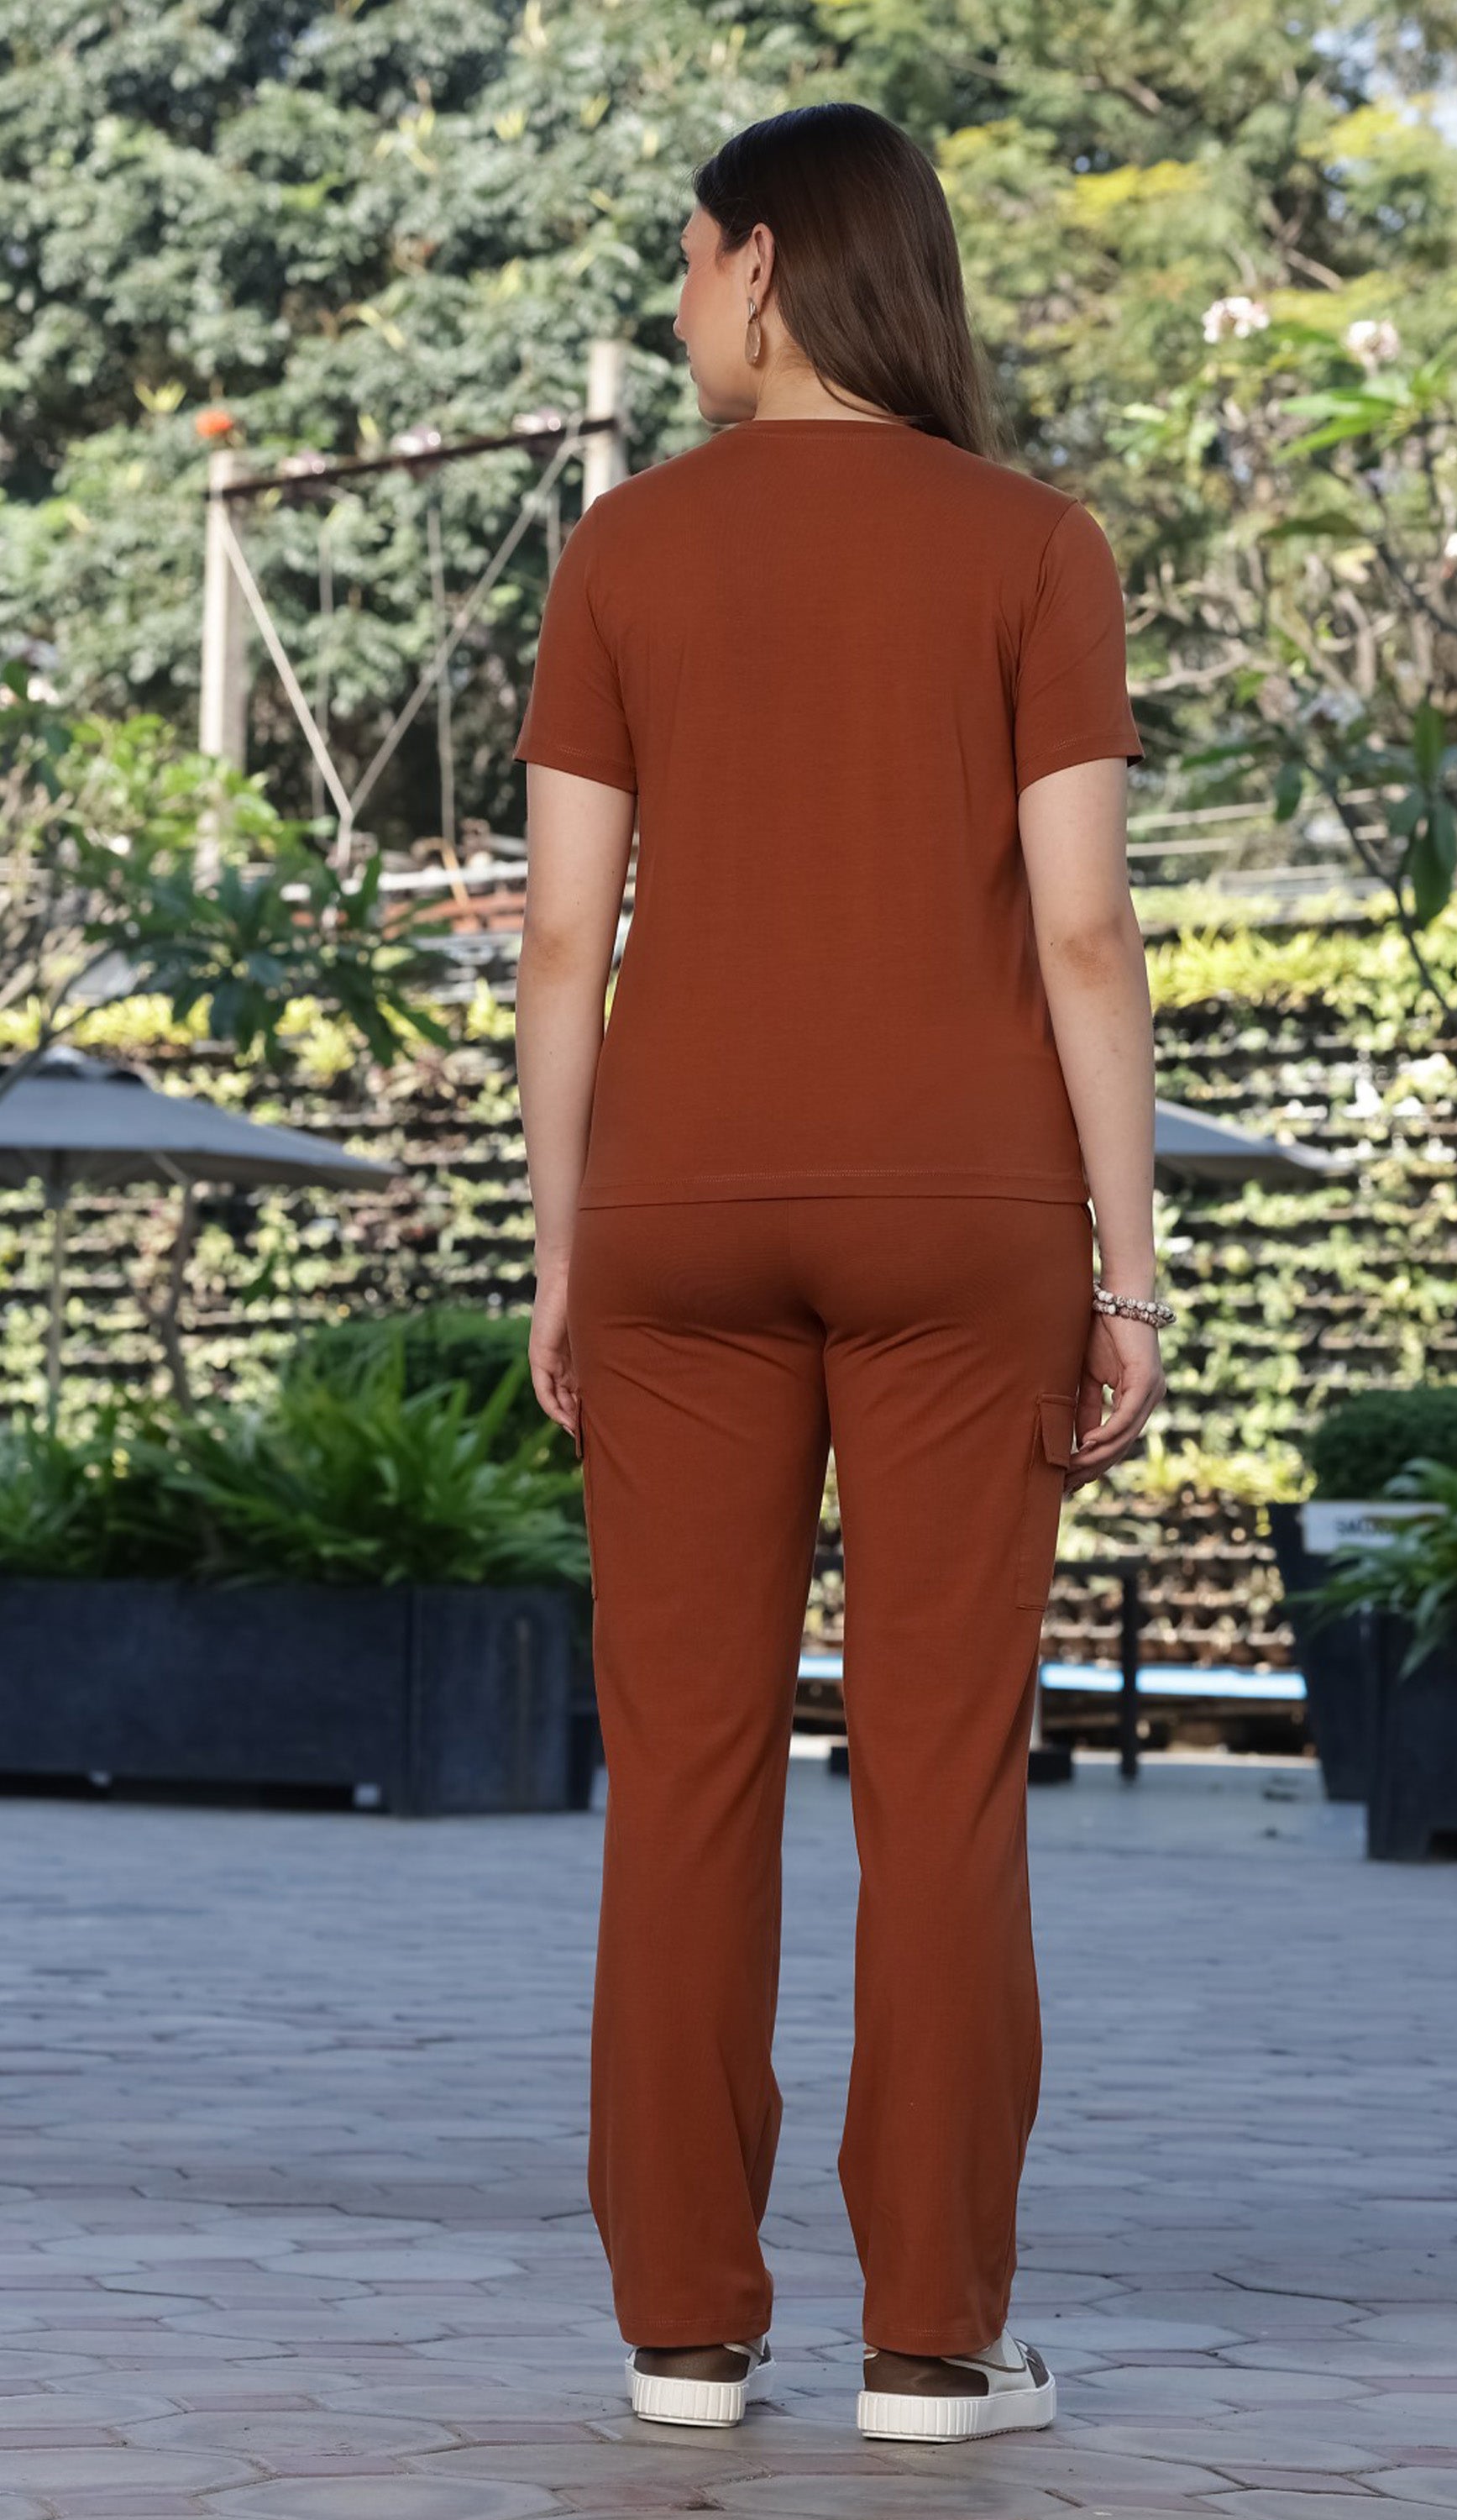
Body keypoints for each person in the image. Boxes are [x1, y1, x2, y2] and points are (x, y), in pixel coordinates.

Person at [512, 100, 1166, 2446]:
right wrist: (1129, 1266)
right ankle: (932, 2338)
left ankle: (684, 2329)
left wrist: (563, 1249)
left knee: (685, 1770)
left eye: (690, 261)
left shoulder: (624, 554)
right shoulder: (1034, 548)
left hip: (673, 1211)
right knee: (939, 1774)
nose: (680, 300)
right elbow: (1080, 930)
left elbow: (564, 941)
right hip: (959, 1215)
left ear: (769, 266)